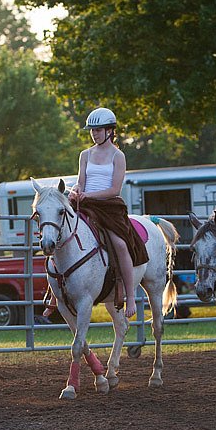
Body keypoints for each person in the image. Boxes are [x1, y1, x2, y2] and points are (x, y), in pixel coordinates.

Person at [44, 107, 149, 318]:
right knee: (59, 234)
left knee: (120, 243)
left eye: (98, 129)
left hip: (109, 206)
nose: (94, 133)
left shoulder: (118, 156)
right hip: (84, 203)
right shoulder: (85, 154)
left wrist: (88, 196)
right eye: (92, 130)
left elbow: (114, 190)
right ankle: (54, 294)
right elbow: (81, 182)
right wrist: (75, 191)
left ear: (110, 131)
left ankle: (130, 296)